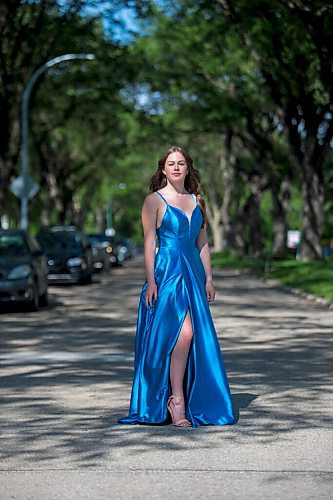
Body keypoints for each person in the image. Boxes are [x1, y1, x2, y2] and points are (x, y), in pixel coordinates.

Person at [118, 146, 236, 428]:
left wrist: (208, 278)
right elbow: (149, 244)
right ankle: (176, 399)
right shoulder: (153, 201)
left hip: (193, 273)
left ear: (187, 168)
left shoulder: (198, 200)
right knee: (181, 334)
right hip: (167, 273)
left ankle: (183, 396)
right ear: (163, 169)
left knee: (192, 335)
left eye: (181, 163)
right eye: (170, 163)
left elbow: (202, 243)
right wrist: (151, 281)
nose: (176, 167)